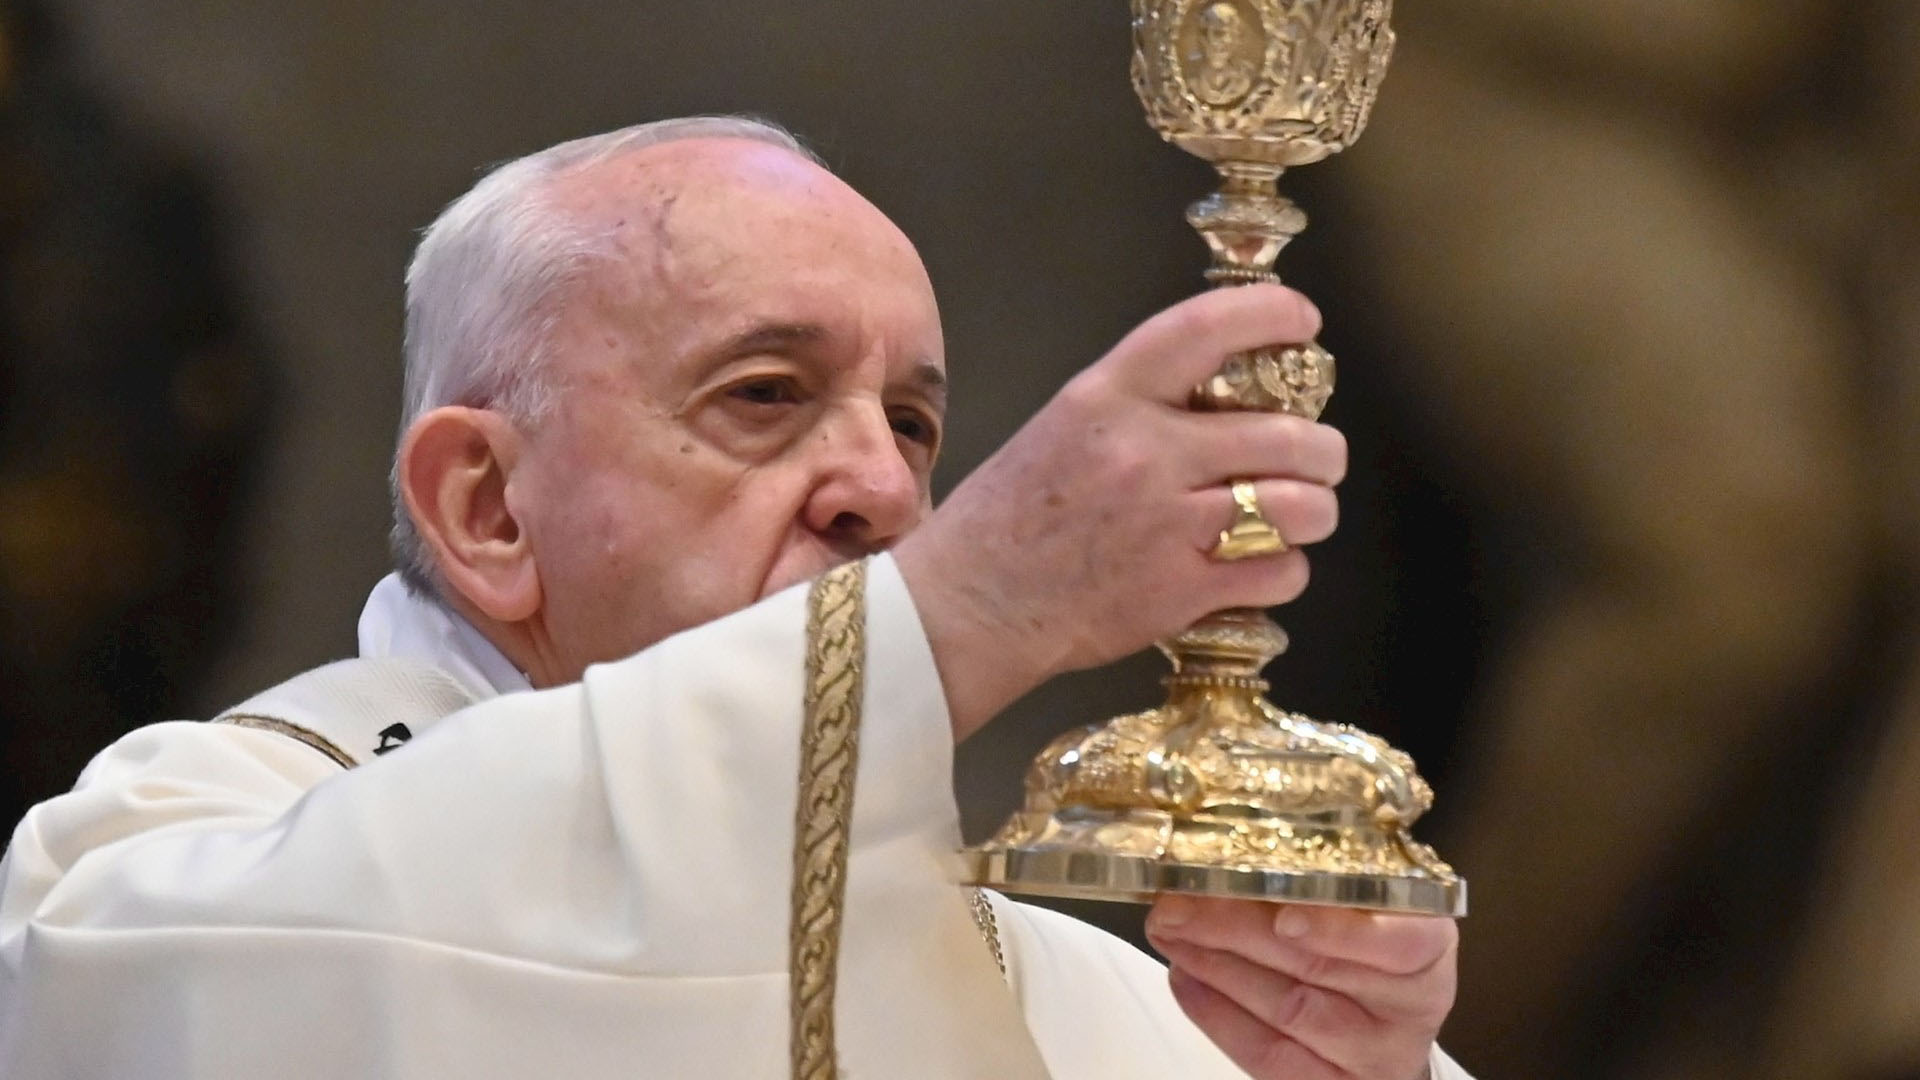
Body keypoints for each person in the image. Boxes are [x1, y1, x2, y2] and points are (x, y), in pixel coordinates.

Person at [0, 116, 1469, 1079]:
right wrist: (971, 606)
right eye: (764, 396)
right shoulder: (171, 863)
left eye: (911, 424)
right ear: (488, 508)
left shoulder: (1079, 999)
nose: (883, 495)